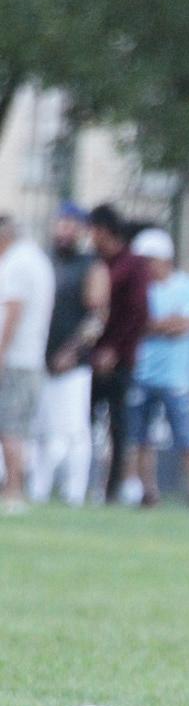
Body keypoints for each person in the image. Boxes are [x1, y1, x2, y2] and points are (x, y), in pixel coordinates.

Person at [127, 228, 189, 508]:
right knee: (140, 439)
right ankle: (148, 494)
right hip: (141, 373)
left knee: (187, 438)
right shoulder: (139, 289)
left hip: (177, 378)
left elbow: (185, 325)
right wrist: (163, 324)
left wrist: (153, 325)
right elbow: (134, 324)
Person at [29, 203, 108, 506]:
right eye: (61, 224)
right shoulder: (45, 261)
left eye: (71, 226)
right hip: (40, 358)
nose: (64, 231)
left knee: (74, 430)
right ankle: (37, 488)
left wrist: (73, 351)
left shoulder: (91, 266)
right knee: (39, 429)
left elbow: (97, 317)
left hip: (73, 363)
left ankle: (74, 492)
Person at [87, 204, 149, 503]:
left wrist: (114, 349)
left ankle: (112, 489)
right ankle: (82, 483)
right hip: (88, 356)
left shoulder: (133, 265)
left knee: (118, 426)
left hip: (119, 359)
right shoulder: (95, 263)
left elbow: (136, 313)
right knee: (83, 420)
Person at [0, 215, 55, 510]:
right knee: (17, 425)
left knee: (10, 425)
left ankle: (13, 490)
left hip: (16, 358)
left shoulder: (17, 263)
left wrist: (1, 352)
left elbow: (13, 310)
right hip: (30, 357)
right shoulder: (37, 259)